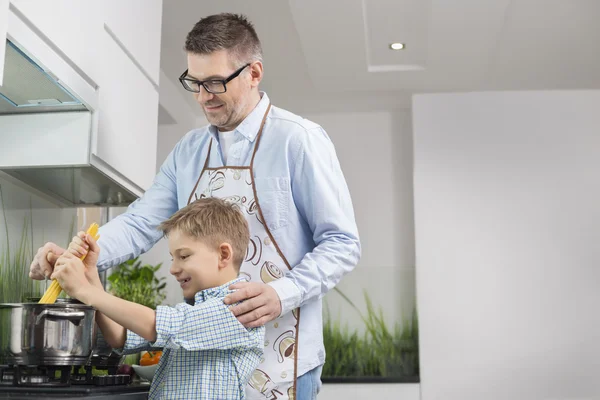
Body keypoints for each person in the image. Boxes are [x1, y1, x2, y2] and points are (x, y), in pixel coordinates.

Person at [31, 12, 360, 400]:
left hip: (285, 361)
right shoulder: (188, 151)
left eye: (216, 82)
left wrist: (281, 293)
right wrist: (81, 251)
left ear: (254, 73)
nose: (204, 96)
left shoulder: (299, 140)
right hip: (199, 359)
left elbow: (341, 243)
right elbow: (139, 223)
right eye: (194, 82)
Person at [52, 198, 264, 400]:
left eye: (184, 256)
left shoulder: (239, 309)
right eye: (173, 258)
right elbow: (120, 336)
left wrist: (85, 291)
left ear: (224, 255)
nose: (173, 269)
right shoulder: (195, 309)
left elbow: (161, 324)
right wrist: (91, 277)